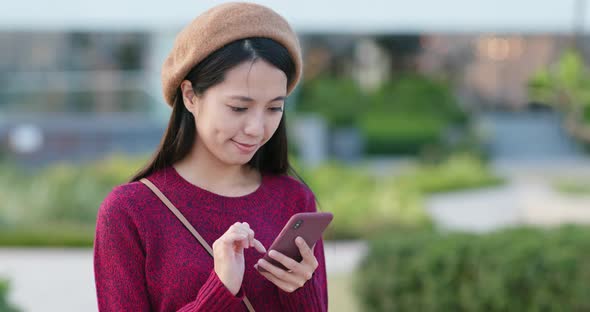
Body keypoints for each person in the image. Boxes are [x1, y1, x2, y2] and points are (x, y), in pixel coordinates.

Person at [93, 2, 328, 311]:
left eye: (274, 108)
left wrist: (300, 290)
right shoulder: (130, 212)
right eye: (239, 108)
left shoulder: (294, 200)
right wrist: (221, 290)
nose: (256, 128)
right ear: (190, 95)